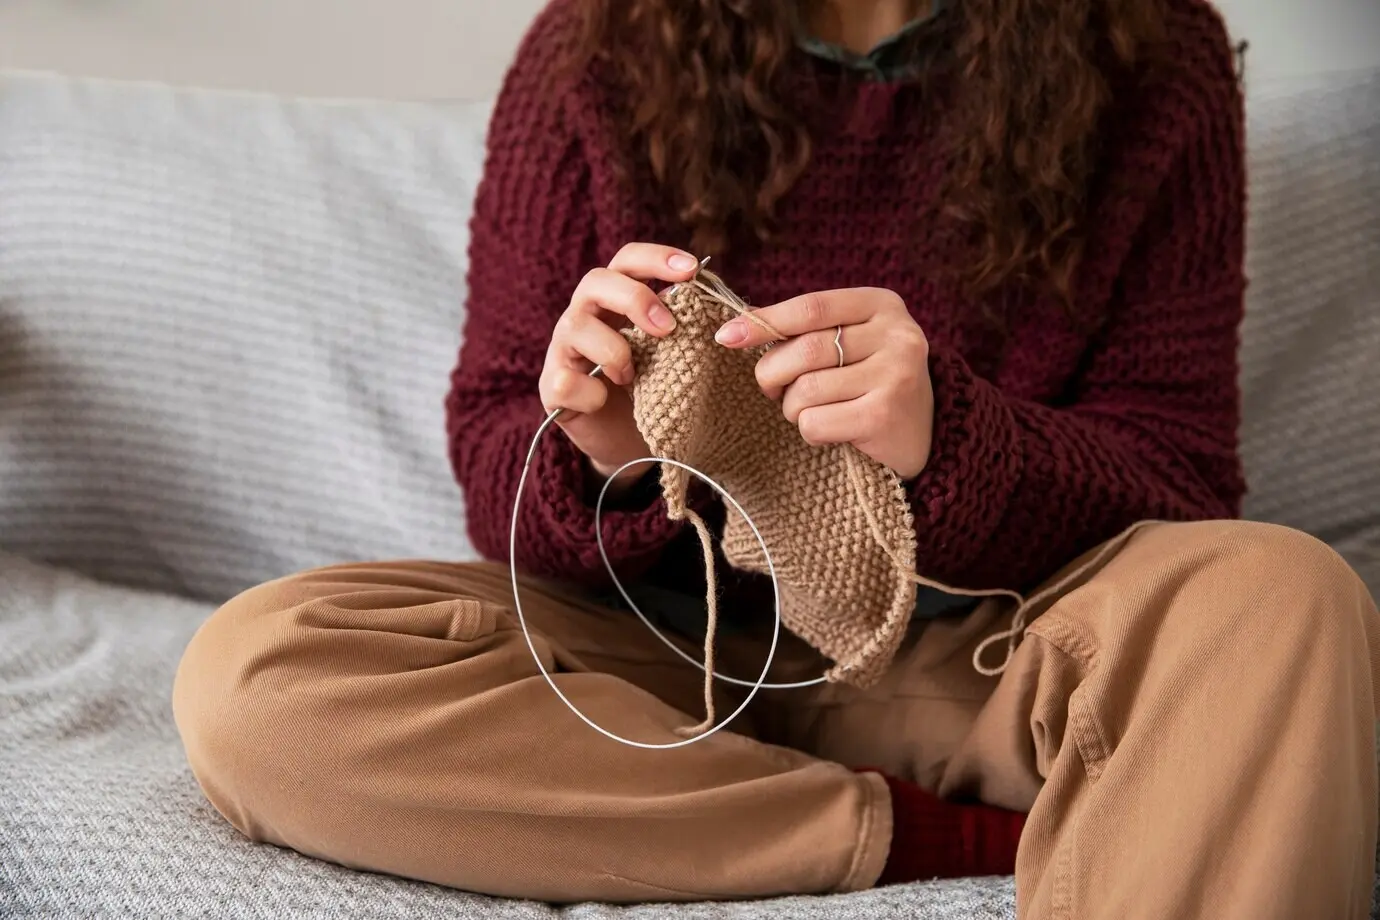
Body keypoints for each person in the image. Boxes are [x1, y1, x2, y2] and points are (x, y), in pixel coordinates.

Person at [172, 0, 1380, 916]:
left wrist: (947, 439)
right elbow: (496, 450)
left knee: (1288, 595)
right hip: (659, 662)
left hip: (987, 648)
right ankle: (918, 835)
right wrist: (606, 455)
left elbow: (1178, 479)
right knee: (260, 677)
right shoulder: (592, 48)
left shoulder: (1148, 49)